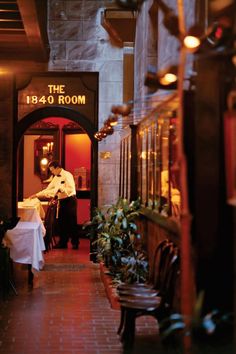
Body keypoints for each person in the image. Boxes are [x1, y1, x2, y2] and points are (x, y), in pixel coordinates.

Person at [29, 160, 79, 249]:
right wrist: (37, 195)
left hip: (70, 200)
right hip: (62, 201)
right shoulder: (55, 177)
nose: (51, 172)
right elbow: (48, 189)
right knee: (61, 222)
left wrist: (61, 190)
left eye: (52, 170)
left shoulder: (68, 175)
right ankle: (63, 243)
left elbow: (71, 189)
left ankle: (75, 243)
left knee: (71, 222)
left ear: (58, 168)